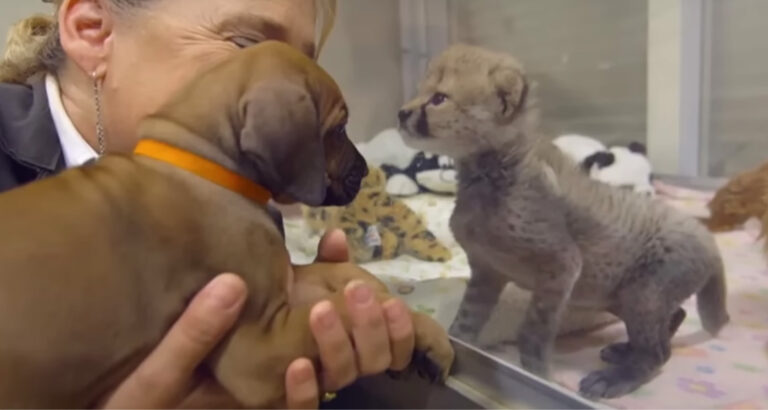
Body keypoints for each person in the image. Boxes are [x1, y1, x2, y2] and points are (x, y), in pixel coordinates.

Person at [0, 0, 417, 408]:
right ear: (93, 30)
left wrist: (282, 298)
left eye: (300, 63)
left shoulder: (229, 198)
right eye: (247, 43)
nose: (282, 85)